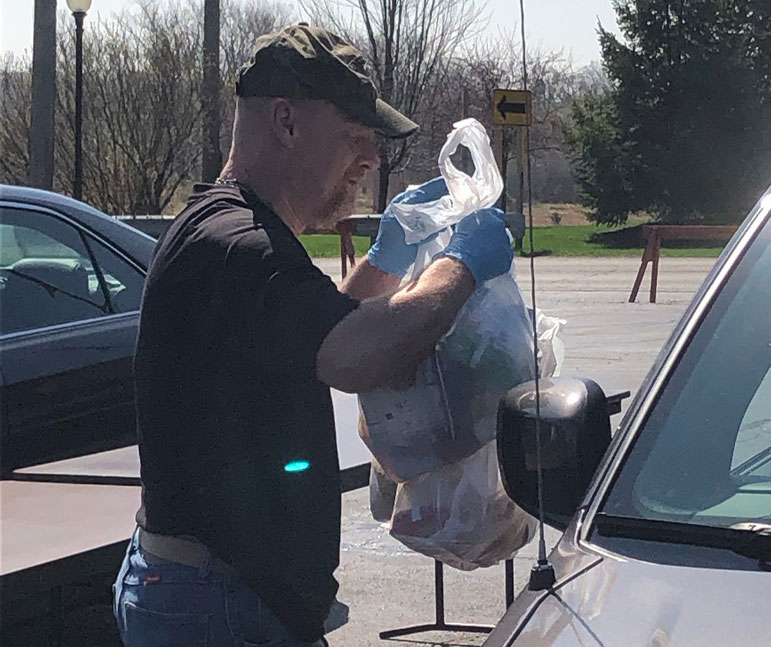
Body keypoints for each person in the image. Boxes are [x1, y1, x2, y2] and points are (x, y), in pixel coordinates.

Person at [112, 23, 513, 646]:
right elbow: (354, 357)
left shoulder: (232, 232)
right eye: (355, 137)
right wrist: (460, 265)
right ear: (287, 122)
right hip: (221, 606)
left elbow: (316, 338)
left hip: (218, 592)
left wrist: (385, 262)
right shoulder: (240, 246)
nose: (372, 159)